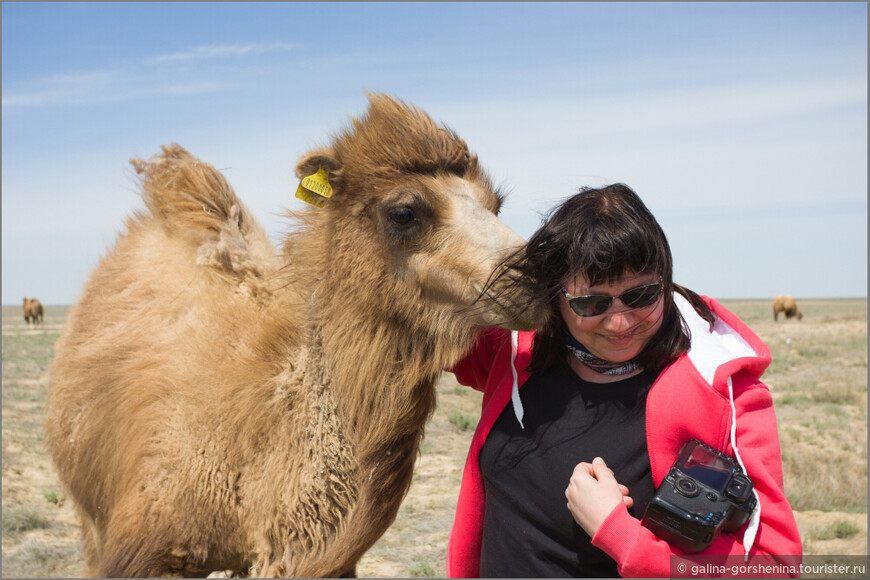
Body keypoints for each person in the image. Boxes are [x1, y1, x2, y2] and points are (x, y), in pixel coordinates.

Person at [445, 184, 801, 577]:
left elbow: (775, 565)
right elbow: (397, 325)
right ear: (554, 299)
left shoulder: (725, 397)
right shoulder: (516, 352)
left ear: (664, 280)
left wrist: (618, 533)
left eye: (641, 296)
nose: (620, 323)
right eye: (591, 303)